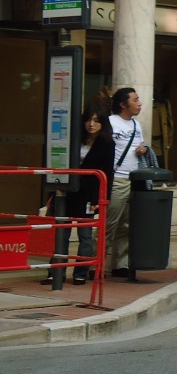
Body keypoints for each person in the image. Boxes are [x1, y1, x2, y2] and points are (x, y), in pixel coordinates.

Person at [66, 98, 115, 284]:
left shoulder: (107, 144)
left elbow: (108, 173)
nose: (91, 124)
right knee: (61, 233)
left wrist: (103, 198)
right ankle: (55, 272)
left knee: (85, 236)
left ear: (103, 123)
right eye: (88, 119)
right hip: (68, 191)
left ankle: (80, 273)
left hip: (89, 194)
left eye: (96, 120)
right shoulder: (74, 139)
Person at [107, 87, 147, 277]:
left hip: (134, 179)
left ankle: (120, 264)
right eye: (135, 100)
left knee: (126, 225)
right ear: (123, 104)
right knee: (109, 224)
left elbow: (141, 144)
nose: (139, 104)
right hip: (117, 179)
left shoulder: (136, 125)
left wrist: (143, 149)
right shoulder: (110, 122)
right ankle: (93, 266)